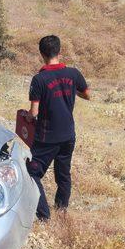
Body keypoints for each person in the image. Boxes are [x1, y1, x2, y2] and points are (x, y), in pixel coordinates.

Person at [26, 35, 90, 221]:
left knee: (32, 173)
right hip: (68, 134)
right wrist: (69, 91)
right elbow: (87, 95)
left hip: (46, 137)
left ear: (41, 54)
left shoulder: (39, 79)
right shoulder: (73, 73)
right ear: (60, 52)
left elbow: (34, 112)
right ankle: (61, 209)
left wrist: (26, 116)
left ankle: (44, 215)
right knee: (63, 173)